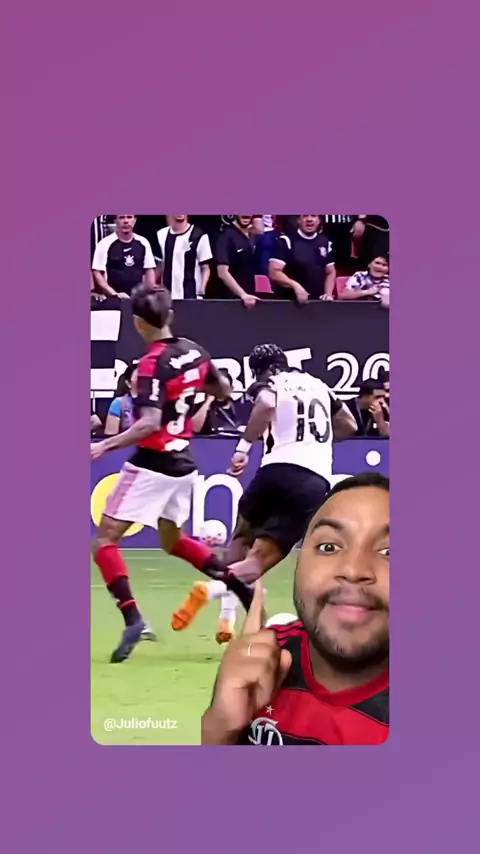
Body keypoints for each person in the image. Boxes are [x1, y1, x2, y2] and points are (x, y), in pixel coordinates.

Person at [90, 284, 253, 663]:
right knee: (172, 540)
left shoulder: (150, 364)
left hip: (153, 462)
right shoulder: (195, 351)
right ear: (171, 317)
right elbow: (223, 389)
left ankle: (133, 619)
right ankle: (239, 586)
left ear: (138, 323)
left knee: (104, 541)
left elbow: (148, 423)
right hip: (185, 464)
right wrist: (198, 395)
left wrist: (105, 445)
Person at [172, 343, 357, 643]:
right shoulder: (319, 385)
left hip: (272, 472)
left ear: (259, 369)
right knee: (257, 562)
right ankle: (212, 592)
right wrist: (315, 441)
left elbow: (267, 404)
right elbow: (348, 424)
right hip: (311, 481)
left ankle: (227, 614)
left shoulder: (269, 382)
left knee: (240, 540)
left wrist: (243, 447)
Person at [201, 473, 389, 745]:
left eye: (389, 552)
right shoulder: (261, 661)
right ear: (298, 563)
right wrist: (220, 730)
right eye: (328, 546)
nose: (353, 570)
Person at [269, 215, 336, 303]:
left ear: (319, 220)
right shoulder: (286, 241)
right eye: (305, 216)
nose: (309, 219)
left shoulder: (325, 242)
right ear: (298, 220)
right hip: (289, 303)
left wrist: (328, 294)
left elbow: (330, 272)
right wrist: (295, 286)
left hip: (317, 303)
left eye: (313, 216)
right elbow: (274, 272)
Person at [91, 215, 156, 299]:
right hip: (113, 297)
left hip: (138, 298)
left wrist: (148, 292)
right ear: (115, 221)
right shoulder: (104, 244)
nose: (126, 221)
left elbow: (149, 269)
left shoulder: (143, 242)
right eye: (121, 218)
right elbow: (97, 272)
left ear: (135, 220)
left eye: (129, 217)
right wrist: (114, 294)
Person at [156, 215, 212, 300]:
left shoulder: (199, 235)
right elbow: (160, 265)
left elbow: (205, 268)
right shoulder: (161, 235)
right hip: (167, 297)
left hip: (192, 295)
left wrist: (201, 290)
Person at [212, 215, 260, 307]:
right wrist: (243, 294)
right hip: (228, 301)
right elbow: (222, 272)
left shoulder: (251, 236)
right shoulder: (225, 236)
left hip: (249, 300)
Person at [191, 369, 241, 435]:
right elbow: (194, 429)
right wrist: (208, 402)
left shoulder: (241, 407)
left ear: (231, 389)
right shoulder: (200, 408)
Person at [104, 362, 138, 437]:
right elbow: (111, 436)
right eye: (138, 377)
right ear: (128, 383)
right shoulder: (118, 403)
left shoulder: (155, 403)